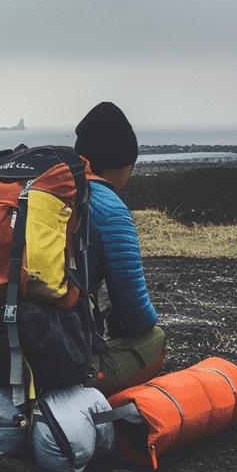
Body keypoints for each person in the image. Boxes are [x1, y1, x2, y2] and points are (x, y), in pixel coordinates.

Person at [74, 101, 166, 396]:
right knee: (155, 338)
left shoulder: (35, 195)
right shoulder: (108, 207)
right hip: (50, 367)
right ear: (125, 164)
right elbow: (137, 315)